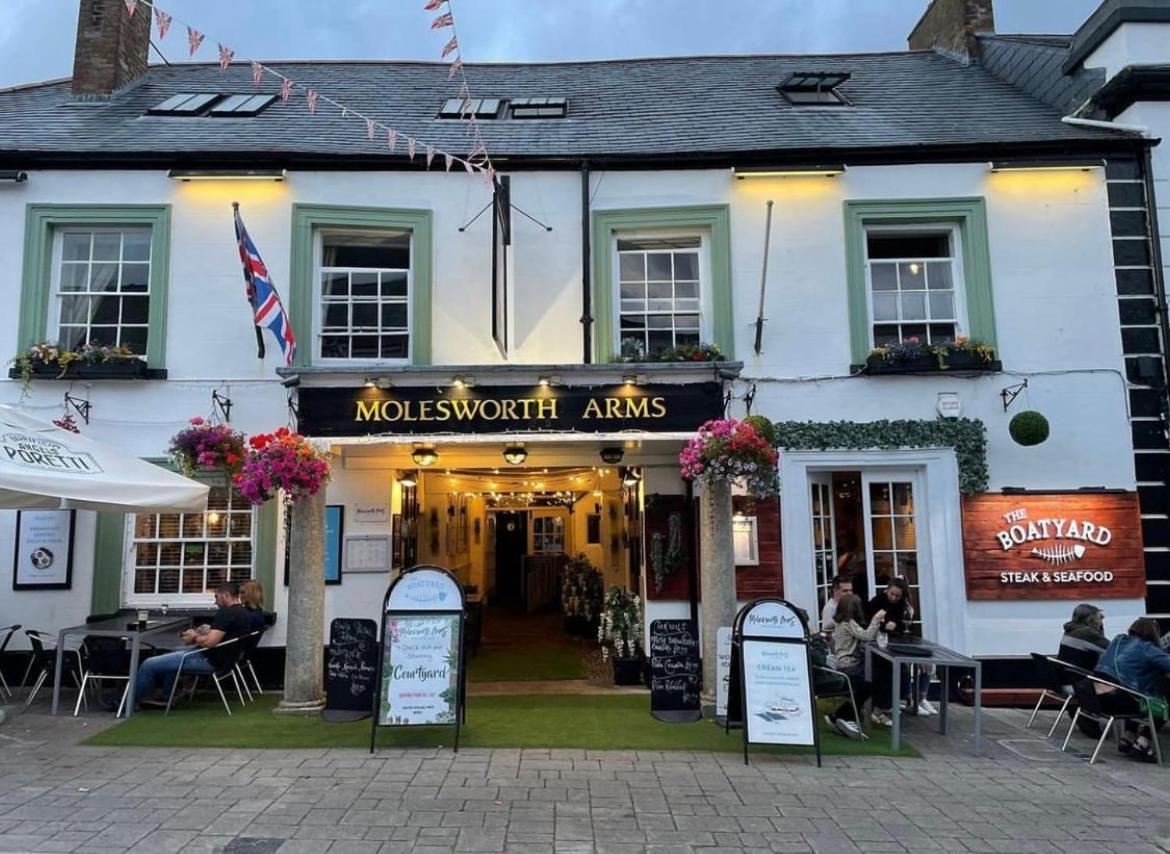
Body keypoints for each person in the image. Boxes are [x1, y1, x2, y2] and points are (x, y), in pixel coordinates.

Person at [133, 581, 252, 709]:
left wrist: (194, 637)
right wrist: (206, 632)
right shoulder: (244, 613)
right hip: (226, 662)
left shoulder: (226, 613)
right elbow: (223, 635)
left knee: (148, 664)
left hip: (208, 660)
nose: (215, 602)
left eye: (216, 597)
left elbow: (210, 642)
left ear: (226, 595)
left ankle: (127, 704)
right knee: (170, 653)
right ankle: (166, 696)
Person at [1088, 618, 1170, 762]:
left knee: (1143, 691)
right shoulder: (1147, 648)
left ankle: (1128, 736)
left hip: (1096, 697)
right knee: (1160, 703)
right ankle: (1143, 743)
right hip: (1118, 700)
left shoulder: (1118, 640)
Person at [829, 594, 890, 731]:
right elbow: (866, 636)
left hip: (843, 664)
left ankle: (847, 713)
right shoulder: (848, 623)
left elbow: (828, 629)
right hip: (850, 666)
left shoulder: (838, 622)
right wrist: (876, 619)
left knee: (872, 680)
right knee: (875, 679)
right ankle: (846, 713)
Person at [1058, 603, 1108, 672]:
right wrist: (1100, 629)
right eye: (1099, 618)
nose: (1101, 622)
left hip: (1068, 674)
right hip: (1084, 678)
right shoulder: (1086, 633)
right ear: (1090, 620)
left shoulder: (1069, 631)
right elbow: (1112, 651)